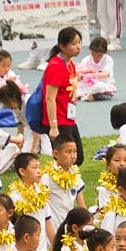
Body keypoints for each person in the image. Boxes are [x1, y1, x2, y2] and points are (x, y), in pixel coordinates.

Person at [42, 26, 84, 164]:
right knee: (66, 159)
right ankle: (61, 182)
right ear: (62, 46)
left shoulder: (70, 64)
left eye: (79, 43)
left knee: (77, 158)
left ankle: (68, 181)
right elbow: (50, 98)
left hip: (68, 117)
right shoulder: (56, 66)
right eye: (74, 43)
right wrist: (53, 127)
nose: (78, 47)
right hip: (58, 119)